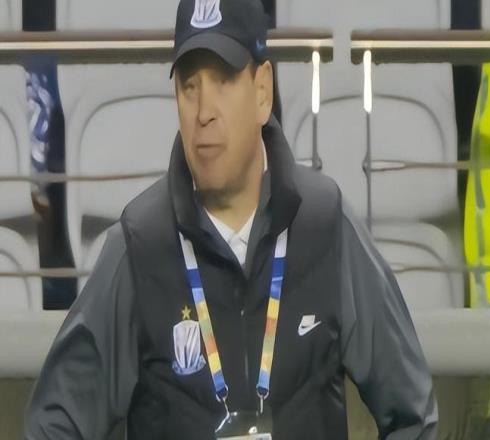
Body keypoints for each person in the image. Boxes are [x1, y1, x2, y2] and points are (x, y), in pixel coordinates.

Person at [24, 0, 438, 438]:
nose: (204, 111)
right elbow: (53, 424)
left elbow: (412, 414)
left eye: (223, 80)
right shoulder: (140, 244)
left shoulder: (325, 223)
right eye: (189, 86)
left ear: (262, 92)